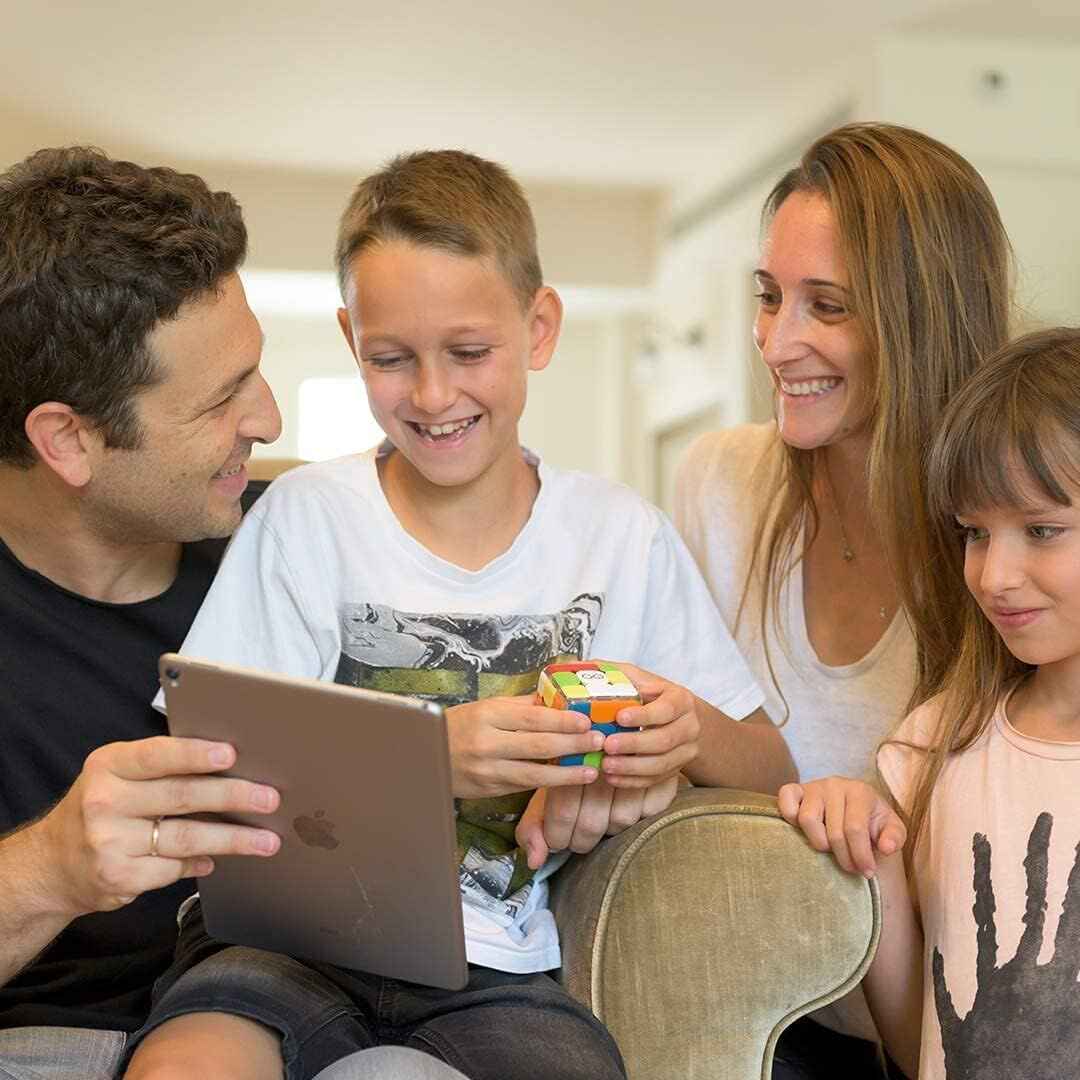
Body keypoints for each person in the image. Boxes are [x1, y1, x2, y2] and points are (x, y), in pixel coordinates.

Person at [119, 149, 797, 1080]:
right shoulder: (306, 518)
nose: (434, 397)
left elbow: (769, 764)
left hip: (497, 968)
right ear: (352, 339)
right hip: (280, 945)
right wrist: (433, 756)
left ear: (541, 327)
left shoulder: (619, 538)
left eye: (470, 353)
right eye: (392, 359)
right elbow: (210, 772)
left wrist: (685, 726)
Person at [0, 146, 479, 1080]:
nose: (269, 420)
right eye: (222, 398)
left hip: (328, 1031)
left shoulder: (304, 541)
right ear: (69, 439)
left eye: (256, 372)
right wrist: (50, 869)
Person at [672, 122, 1013, 1074]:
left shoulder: (1001, 556)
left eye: (827, 306)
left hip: (945, 1041)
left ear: (920, 317)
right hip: (738, 1024)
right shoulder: (719, 485)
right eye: (770, 297)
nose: (780, 343)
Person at [778, 326, 1080, 1079]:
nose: (996, 576)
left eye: (1041, 530)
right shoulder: (930, 750)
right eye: (974, 533)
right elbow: (924, 1045)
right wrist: (865, 848)